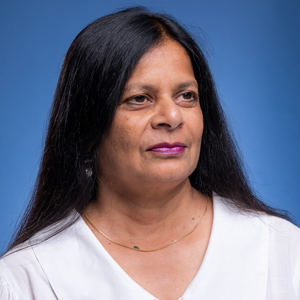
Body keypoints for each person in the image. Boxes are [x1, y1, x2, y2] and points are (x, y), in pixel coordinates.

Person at [0, 7, 299, 300]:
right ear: (87, 127)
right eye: (139, 98)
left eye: (186, 96)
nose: (171, 116)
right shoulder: (24, 279)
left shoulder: (282, 251)